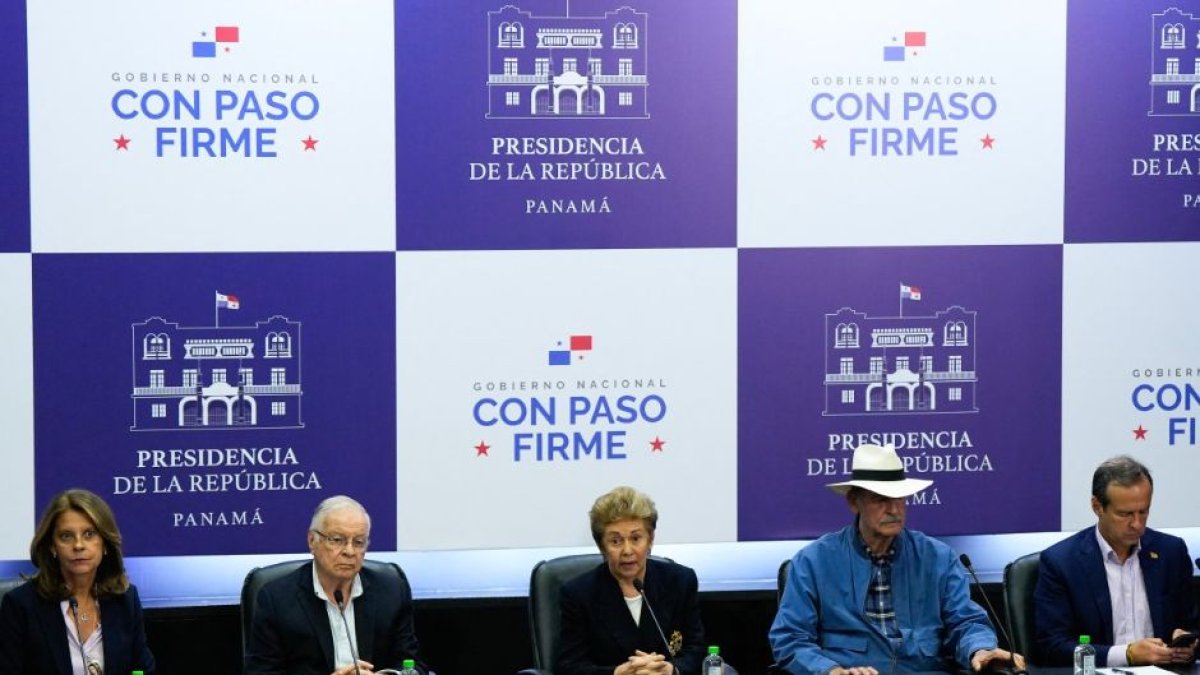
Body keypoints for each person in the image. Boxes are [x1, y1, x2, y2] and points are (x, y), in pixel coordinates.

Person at [770, 443, 1021, 675]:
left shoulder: (937, 558)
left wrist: (979, 649)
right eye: (881, 499)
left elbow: (965, 621)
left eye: (899, 498)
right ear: (853, 501)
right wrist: (831, 671)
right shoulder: (814, 562)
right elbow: (790, 638)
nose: (894, 509)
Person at [1034, 455, 1198, 666]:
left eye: (1144, 511)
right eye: (1125, 514)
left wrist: (1188, 644)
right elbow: (1052, 648)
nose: (1137, 524)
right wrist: (1126, 654)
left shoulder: (1170, 552)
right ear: (1097, 507)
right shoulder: (1061, 563)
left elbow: (1191, 626)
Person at [244, 495, 428, 675]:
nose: (349, 551)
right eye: (337, 540)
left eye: (359, 542)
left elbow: (413, 666)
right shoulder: (277, 599)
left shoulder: (392, 590)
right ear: (312, 541)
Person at [0, 488, 156, 675]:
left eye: (89, 534)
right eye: (66, 536)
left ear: (105, 544)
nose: (79, 545)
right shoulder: (21, 605)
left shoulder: (125, 600)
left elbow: (141, 668)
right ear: (52, 546)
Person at [557, 486, 707, 675]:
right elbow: (569, 666)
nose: (627, 551)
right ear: (602, 546)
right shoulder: (579, 594)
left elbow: (696, 649)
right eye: (616, 541)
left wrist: (672, 670)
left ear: (650, 540)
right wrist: (617, 673)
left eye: (636, 538)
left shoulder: (679, 582)